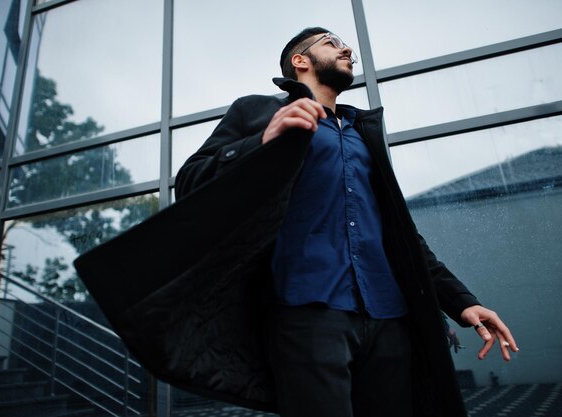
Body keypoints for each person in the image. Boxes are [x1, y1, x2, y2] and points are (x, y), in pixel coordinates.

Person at [175, 27, 518, 417]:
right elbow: (189, 183)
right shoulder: (258, 112)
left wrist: (462, 302)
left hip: (388, 316)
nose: (347, 48)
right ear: (300, 61)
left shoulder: (362, 133)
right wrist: (261, 142)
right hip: (307, 310)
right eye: (332, 42)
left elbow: (401, 237)